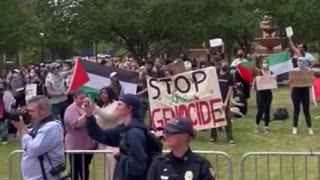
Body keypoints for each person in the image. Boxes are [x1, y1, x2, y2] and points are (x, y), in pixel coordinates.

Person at [84, 94, 148, 180]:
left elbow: (137, 165)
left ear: (129, 108)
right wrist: (89, 116)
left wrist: (119, 155)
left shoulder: (135, 133)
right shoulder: (124, 129)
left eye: (120, 104)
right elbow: (101, 135)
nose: (116, 107)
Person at [11, 95, 66, 180]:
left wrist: (22, 128)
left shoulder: (51, 127)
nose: (29, 114)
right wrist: (18, 124)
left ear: (43, 110)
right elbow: (22, 138)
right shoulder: (39, 126)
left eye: (31, 111)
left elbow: (34, 149)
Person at [147, 117, 216, 180]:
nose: (166, 135)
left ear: (185, 136)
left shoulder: (201, 165)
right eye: (165, 132)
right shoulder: (159, 163)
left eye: (171, 132)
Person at [64, 91, 95, 180]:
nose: (83, 100)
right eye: (81, 98)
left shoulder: (85, 108)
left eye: (84, 98)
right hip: (76, 145)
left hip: (88, 144)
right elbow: (77, 124)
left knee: (85, 168)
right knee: (76, 169)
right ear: (74, 99)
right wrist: (87, 114)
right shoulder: (71, 109)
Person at [288, 37, 314, 135]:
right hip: (296, 91)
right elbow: (290, 80)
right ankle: (295, 127)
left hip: (305, 92)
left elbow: (312, 77)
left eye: (301, 61)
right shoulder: (294, 71)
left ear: (305, 62)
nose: (299, 63)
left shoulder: (308, 71)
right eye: (298, 61)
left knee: (306, 110)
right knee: (296, 109)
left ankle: (309, 128)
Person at [210, 61, 235, 144]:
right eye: (224, 63)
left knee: (227, 119)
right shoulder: (216, 75)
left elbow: (230, 89)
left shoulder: (230, 76)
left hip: (225, 101)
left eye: (226, 64)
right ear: (220, 65)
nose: (225, 65)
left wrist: (226, 102)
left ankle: (230, 138)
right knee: (214, 119)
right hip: (216, 101)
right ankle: (213, 137)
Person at [252, 56, 273, 133]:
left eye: (266, 63)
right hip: (260, 93)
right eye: (263, 63)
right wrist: (253, 85)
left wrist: (274, 79)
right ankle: (257, 126)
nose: (265, 64)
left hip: (268, 93)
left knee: (267, 110)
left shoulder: (270, 72)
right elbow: (254, 76)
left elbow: (272, 82)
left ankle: (266, 127)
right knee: (260, 110)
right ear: (261, 64)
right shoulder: (258, 72)